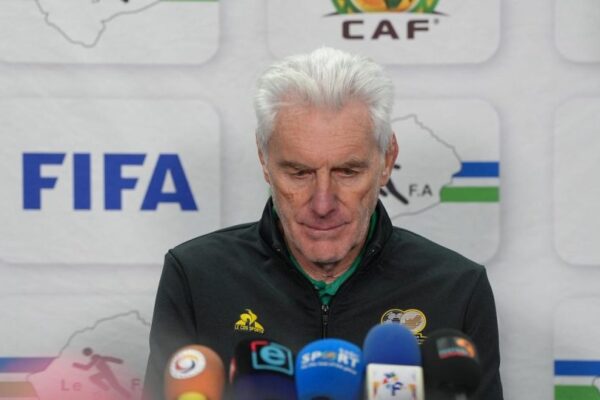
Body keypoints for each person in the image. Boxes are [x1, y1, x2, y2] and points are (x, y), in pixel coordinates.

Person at [144, 47, 503, 399]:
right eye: (299, 173)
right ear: (264, 160)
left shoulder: (458, 289)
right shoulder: (195, 277)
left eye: (348, 172)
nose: (323, 203)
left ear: (387, 160)